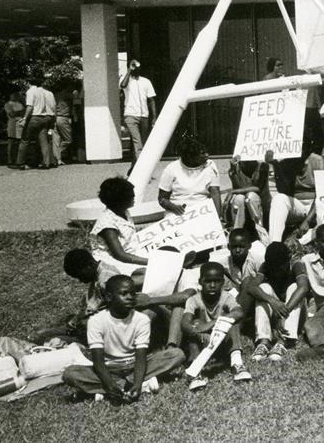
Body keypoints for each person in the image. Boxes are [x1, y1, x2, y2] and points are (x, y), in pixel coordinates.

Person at [61, 275, 186, 403]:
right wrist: (110, 385)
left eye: (132, 293)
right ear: (109, 297)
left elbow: (140, 356)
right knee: (70, 373)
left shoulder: (141, 320)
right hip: (110, 368)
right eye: (124, 294)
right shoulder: (96, 322)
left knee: (176, 354)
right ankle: (138, 384)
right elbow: (98, 362)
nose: (130, 297)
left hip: (135, 365)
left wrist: (137, 385)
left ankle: (117, 387)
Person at [182, 263, 251, 391]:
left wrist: (213, 323)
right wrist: (197, 331)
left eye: (217, 281)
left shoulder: (226, 297)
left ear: (223, 282)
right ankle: (196, 372)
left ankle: (237, 362)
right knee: (195, 322)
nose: (212, 285)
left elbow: (239, 312)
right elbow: (185, 324)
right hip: (203, 342)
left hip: (222, 341)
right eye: (208, 281)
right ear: (200, 282)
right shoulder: (194, 300)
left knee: (231, 320)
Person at [60, 248, 122, 343]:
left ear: (90, 265)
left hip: (108, 331)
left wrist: (79, 320)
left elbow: (110, 311)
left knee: (51, 338)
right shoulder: (102, 271)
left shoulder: (105, 281)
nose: (80, 280)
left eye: (80, 276)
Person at [90, 176, 150, 275]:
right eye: (131, 196)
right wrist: (149, 261)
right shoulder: (107, 224)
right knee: (146, 272)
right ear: (120, 201)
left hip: (128, 252)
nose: (134, 197)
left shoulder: (123, 212)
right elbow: (119, 255)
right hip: (112, 260)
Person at [157, 137, 223, 220]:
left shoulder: (210, 166)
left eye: (206, 152)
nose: (207, 155)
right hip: (177, 212)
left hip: (202, 210)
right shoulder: (171, 169)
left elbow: (215, 194)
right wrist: (173, 207)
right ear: (190, 156)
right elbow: (162, 198)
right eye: (202, 153)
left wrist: (217, 219)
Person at [14, 74, 57, 170]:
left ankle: (20, 163)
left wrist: (25, 118)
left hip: (35, 117)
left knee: (25, 140)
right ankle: (46, 162)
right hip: (46, 117)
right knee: (44, 141)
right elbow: (54, 107)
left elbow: (30, 106)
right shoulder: (47, 92)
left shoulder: (31, 91)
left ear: (28, 83)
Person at [119, 59, 157, 167]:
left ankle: (133, 169)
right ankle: (142, 169)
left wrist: (154, 117)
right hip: (131, 115)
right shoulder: (126, 80)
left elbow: (151, 100)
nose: (136, 68)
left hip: (144, 115)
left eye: (137, 66)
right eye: (133, 66)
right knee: (138, 142)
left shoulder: (146, 81)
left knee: (142, 143)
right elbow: (123, 86)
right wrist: (129, 71)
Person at [227, 156, 266, 232]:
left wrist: (234, 191)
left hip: (257, 200)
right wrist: (233, 170)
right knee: (238, 198)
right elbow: (237, 186)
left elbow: (258, 188)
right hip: (242, 200)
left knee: (250, 196)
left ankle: (260, 231)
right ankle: (237, 231)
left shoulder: (262, 166)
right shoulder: (235, 168)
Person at [51, 83, 75, 165]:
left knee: (56, 140)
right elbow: (77, 98)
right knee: (68, 139)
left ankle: (57, 159)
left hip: (55, 117)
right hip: (63, 118)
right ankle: (58, 153)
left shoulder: (54, 95)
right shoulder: (66, 95)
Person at [3, 91, 26, 168]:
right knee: (11, 143)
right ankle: (10, 161)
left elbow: (24, 112)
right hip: (12, 124)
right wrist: (21, 112)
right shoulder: (8, 104)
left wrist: (20, 112)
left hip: (20, 125)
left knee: (19, 143)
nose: (15, 96)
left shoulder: (20, 104)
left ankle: (18, 161)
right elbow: (11, 114)